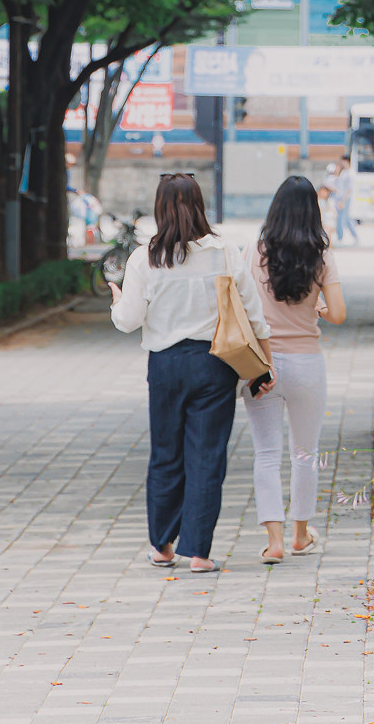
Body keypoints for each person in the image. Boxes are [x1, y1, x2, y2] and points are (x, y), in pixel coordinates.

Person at [110, 172, 272, 573]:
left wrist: (116, 301)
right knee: (207, 456)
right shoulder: (223, 251)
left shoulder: (145, 257)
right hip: (215, 363)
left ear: (160, 208)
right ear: (200, 204)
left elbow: (128, 321)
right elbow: (253, 314)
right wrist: (264, 365)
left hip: (165, 365)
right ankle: (199, 552)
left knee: (166, 454)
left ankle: (163, 547)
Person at [245, 175, 347, 563]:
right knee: (305, 452)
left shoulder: (254, 252)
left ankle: (274, 542)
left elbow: (241, 304)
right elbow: (338, 314)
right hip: (307, 365)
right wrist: (317, 307)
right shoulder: (321, 257)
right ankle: (300, 535)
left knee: (266, 453)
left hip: (262, 364)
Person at [327, 152, 358, 246]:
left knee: (341, 219)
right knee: (347, 219)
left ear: (347, 161)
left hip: (345, 199)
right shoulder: (344, 172)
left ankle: (340, 238)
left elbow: (349, 189)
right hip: (340, 198)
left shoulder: (351, 173)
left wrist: (343, 201)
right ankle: (355, 237)